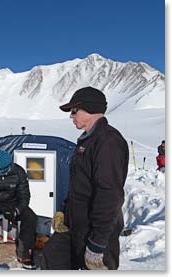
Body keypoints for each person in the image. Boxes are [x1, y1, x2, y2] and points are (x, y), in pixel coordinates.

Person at [41, 87, 129, 270]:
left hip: (96, 230)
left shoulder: (108, 142)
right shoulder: (87, 140)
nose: (71, 116)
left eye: (74, 110)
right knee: (52, 256)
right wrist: (65, 213)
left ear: (89, 108)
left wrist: (97, 243)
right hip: (75, 223)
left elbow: (109, 195)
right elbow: (79, 185)